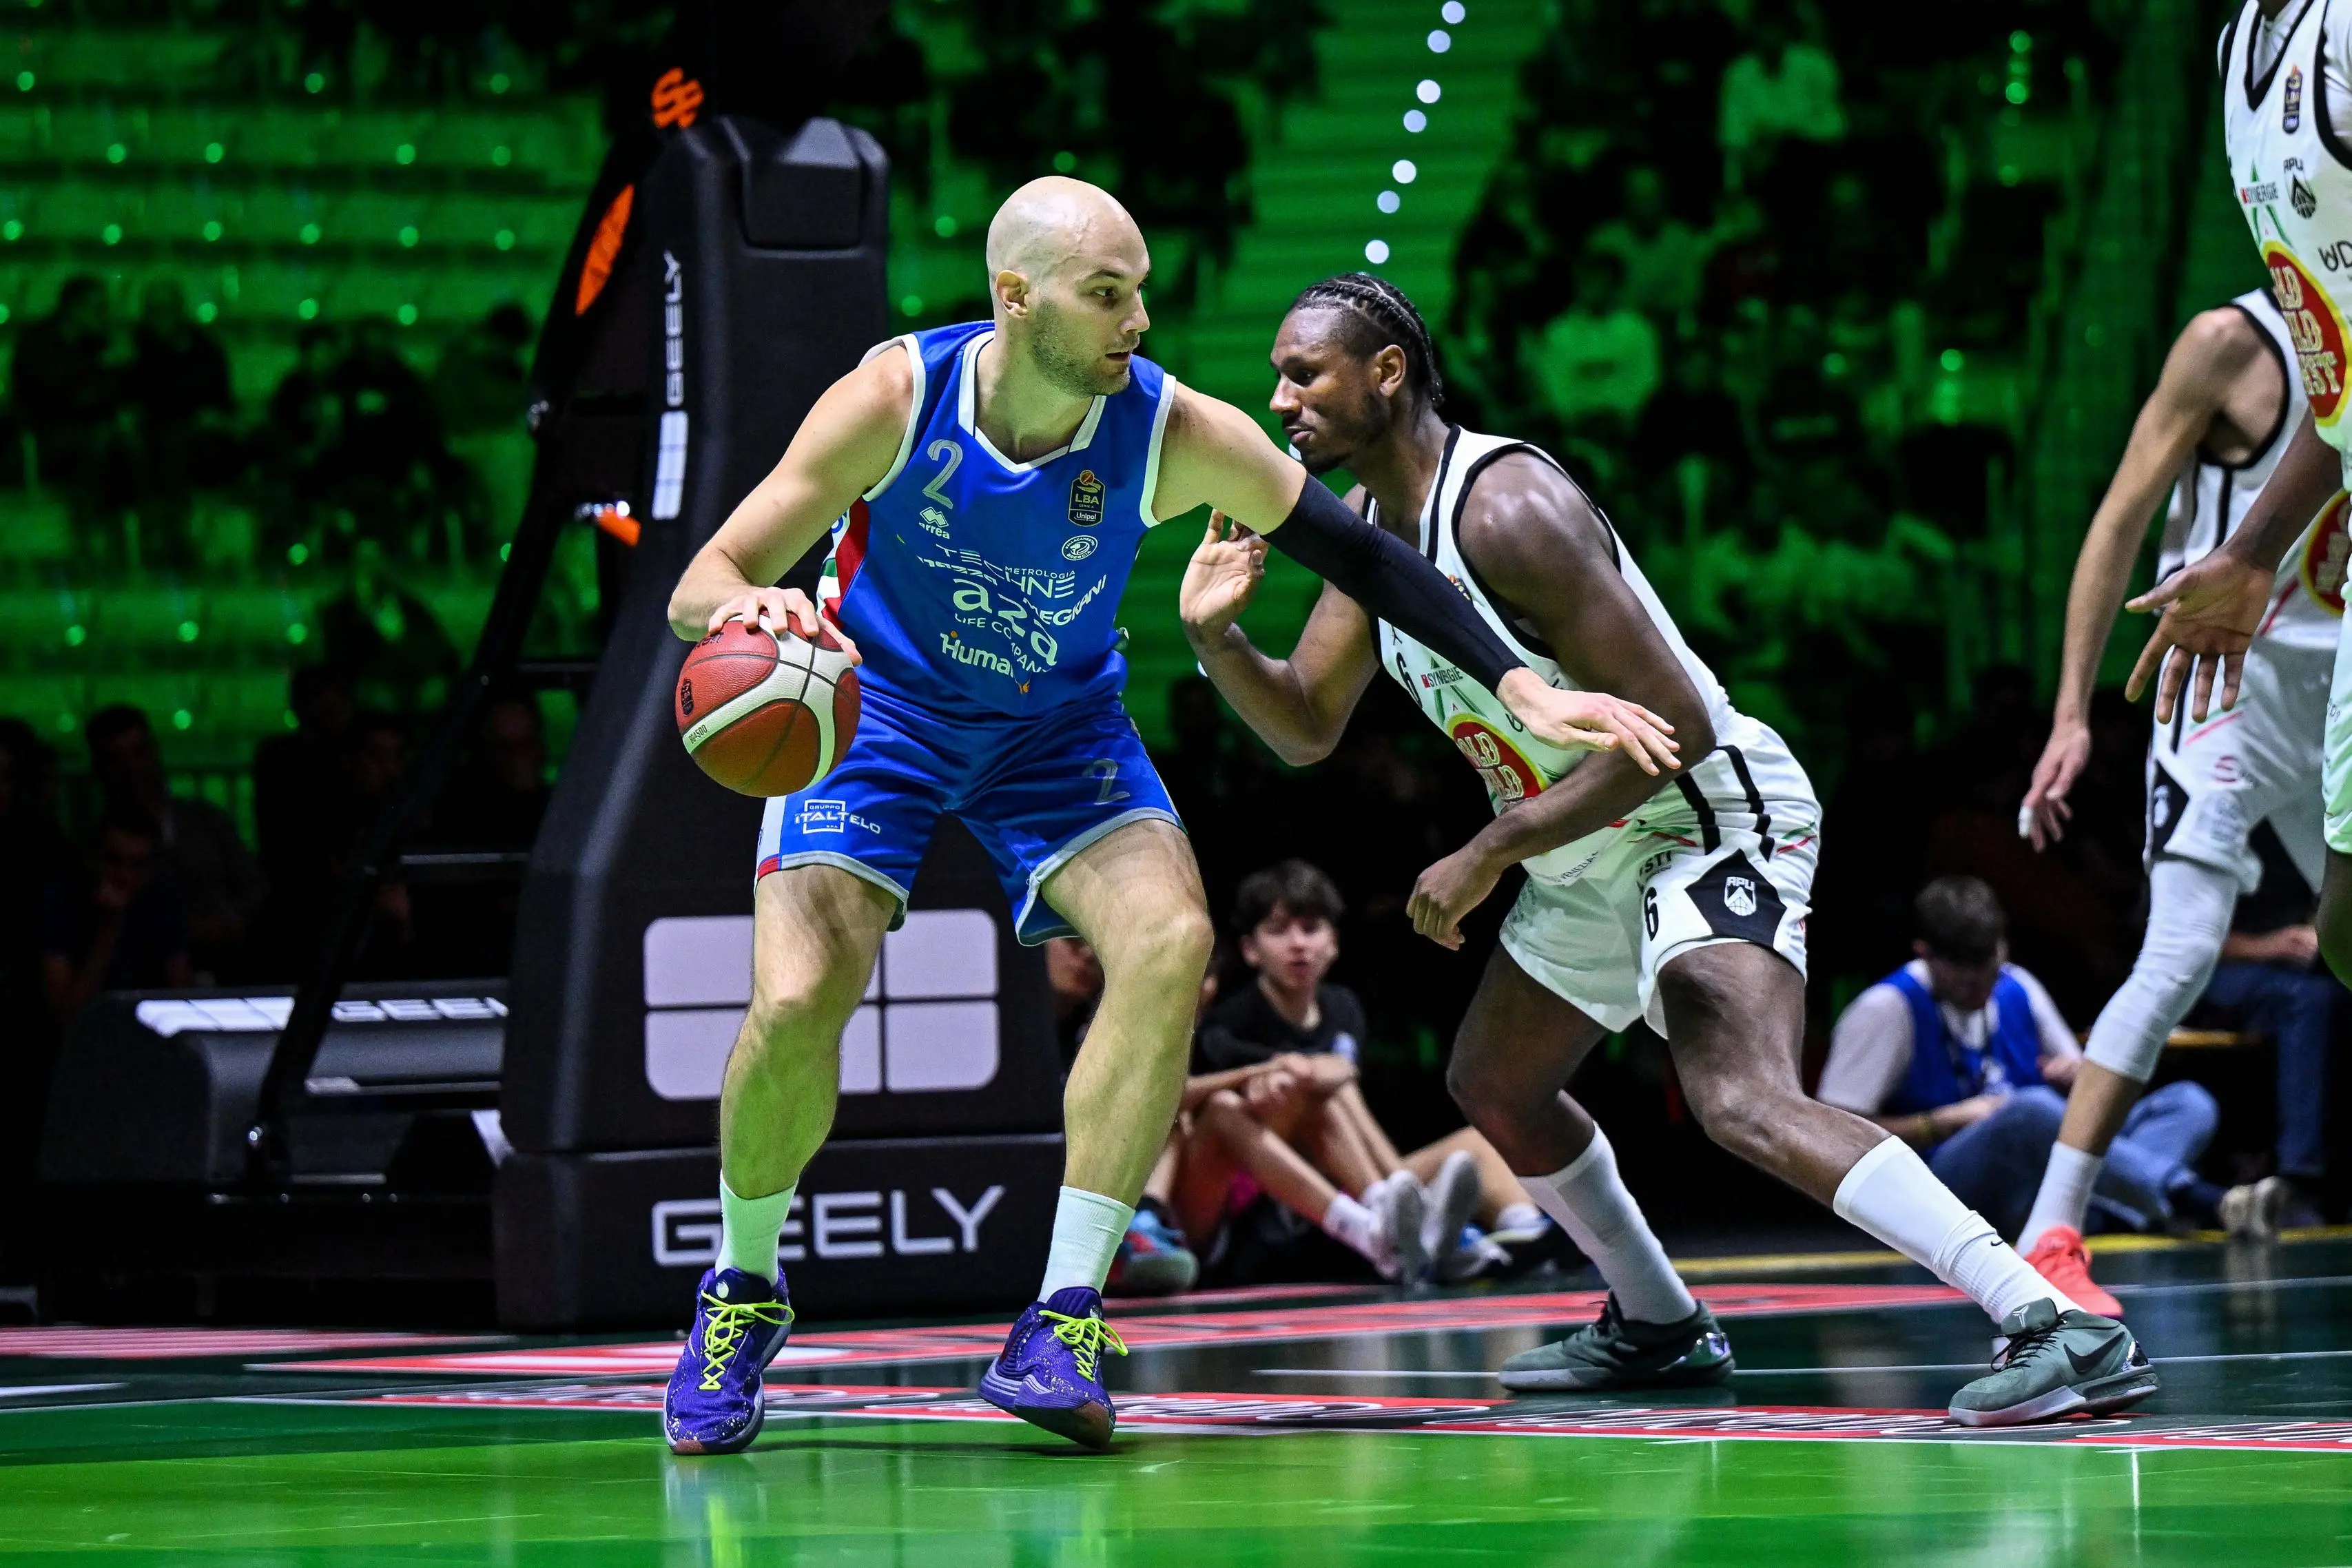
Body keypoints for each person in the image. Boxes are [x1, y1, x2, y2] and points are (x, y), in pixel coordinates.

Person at [656, 177, 1668, 1456]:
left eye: (1139, 288)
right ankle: (743, 1291)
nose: (1137, 317)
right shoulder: (895, 399)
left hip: (1055, 729)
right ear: (1013, 298)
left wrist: (1518, 683)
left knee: (1171, 940)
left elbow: (1362, 559)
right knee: (800, 1000)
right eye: (1105, 292)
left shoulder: (1168, 427)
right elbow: (707, 576)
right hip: (877, 713)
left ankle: (1061, 1314)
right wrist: (756, 612)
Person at [1177, 271, 2156, 1423]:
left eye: (1304, 373)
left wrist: (1488, 850)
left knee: (1736, 1095)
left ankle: (2050, 1320)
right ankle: (1656, 1325)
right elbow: (1301, 726)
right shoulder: (1369, 538)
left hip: (1703, 814)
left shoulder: (1505, 508)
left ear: (1384, 375)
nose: (1282, 400)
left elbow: (1676, 724)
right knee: (1493, 1080)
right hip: (1586, 842)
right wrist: (1216, 639)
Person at [2014, 285, 2332, 1311]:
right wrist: (2071, 712)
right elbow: (2116, 524)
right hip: (2223, 690)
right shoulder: (2227, 344)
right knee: (2182, 950)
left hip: (2339, 694)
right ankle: (2049, 1237)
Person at [1820, 877, 2228, 1241]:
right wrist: (1944, 1121)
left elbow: (2085, 1090)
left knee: (2188, 1103)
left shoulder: (2017, 985)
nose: (1982, 990)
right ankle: (2188, 1195)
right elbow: (1834, 1136)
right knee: (2028, 1109)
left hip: (2033, 1184)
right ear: (1925, 954)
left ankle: (2107, 1215)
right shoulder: (1887, 1009)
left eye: (1990, 973)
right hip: (1941, 1190)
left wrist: (2077, 1076)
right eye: (1966, 981)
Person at [2199, 828, 2339, 1233]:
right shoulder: (2215, 826)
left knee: (2331, 996)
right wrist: (2270, 945)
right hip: (2216, 974)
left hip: (2304, 973)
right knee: (2309, 1001)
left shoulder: (2314, 823)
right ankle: (2299, 1181)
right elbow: (2176, 940)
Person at [85, 705, 265, 982]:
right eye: (116, 758)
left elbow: (254, 891)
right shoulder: (93, 846)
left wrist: (229, 924)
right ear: (100, 767)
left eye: (139, 752)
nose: (131, 768)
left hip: (229, 970)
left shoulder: (207, 821)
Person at [40, 812, 193, 1022]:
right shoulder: (63, 899)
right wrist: (109, 929)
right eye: (114, 861)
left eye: (137, 865)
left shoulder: (162, 899)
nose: (124, 875)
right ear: (92, 858)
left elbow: (180, 1001)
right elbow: (67, 1015)